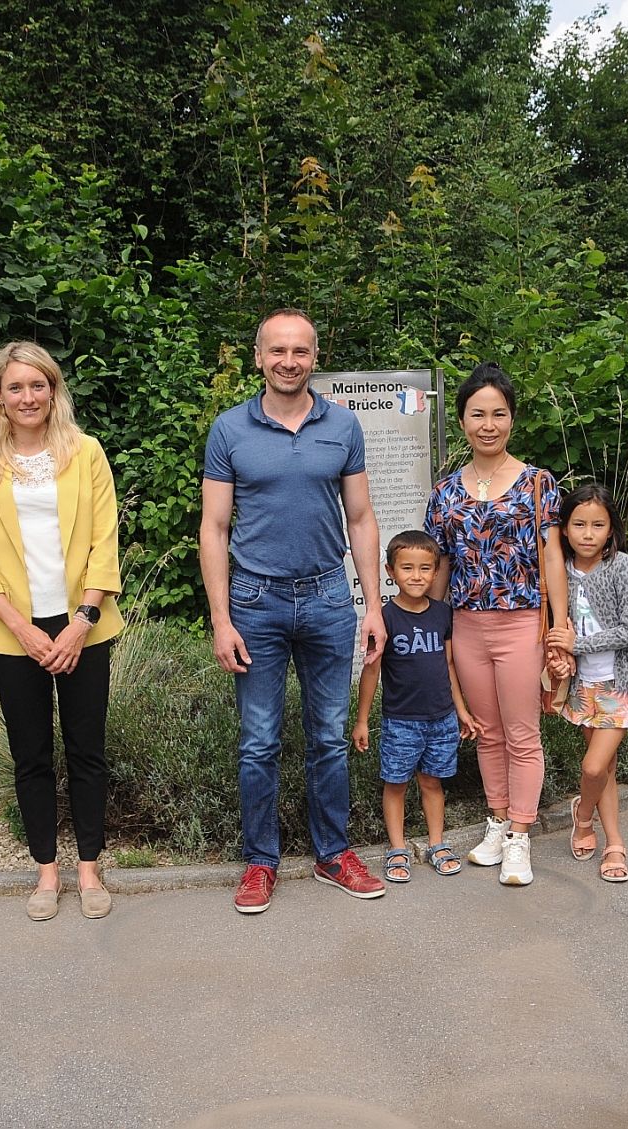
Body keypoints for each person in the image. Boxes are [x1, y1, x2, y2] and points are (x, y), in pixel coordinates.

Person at [200, 309, 389, 914]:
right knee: (258, 742)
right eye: (277, 351)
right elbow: (214, 525)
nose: (289, 361)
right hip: (254, 602)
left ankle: (334, 854)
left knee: (329, 738)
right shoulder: (230, 430)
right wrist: (221, 619)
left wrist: (374, 606)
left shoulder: (344, 425)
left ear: (314, 358)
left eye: (301, 351)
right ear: (259, 357)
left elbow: (360, 518)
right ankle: (260, 863)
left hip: (330, 598)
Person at [0, 341, 124, 922]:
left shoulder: (87, 453)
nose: (29, 397)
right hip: (12, 632)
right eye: (16, 387)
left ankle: (90, 872)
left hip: (84, 627)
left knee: (87, 752)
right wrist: (24, 630)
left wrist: (82, 622)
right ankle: (47, 874)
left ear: (54, 392)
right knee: (31, 755)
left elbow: (105, 540)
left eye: (39, 385)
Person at [424, 362, 570, 887]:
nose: (488, 424)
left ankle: (520, 837)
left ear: (512, 419)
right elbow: (439, 565)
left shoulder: (537, 483)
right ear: (462, 420)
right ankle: (497, 821)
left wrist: (561, 623)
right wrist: (431, 627)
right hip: (465, 625)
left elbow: (552, 557)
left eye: (499, 414)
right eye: (477, 413)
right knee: (485, 734)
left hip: (521, 623)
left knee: (522, 734)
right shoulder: (444, 491)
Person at [351, 531, 481, 882]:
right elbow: (372, 670)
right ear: (390, 571)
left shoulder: (442, 614)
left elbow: (450, 666)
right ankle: (397, 848)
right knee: (396, 784)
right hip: (401, 722)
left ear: (437, 572)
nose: (416, 575)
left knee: (432, 784)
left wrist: (462, 711)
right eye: (407, 568)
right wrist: (362, 720)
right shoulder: (386, 618)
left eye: (425, 568)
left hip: (441, 719)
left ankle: (437, 844)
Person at [545, 484, 628, 884]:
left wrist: (580, 643)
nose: (588, 533)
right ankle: (613, 842)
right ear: (565, 529)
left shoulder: (622, 566)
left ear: (611, 529)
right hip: (583, 686)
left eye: (597, 525)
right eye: (578, 525)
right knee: (603, 766)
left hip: (620, 683)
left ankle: (583, 814)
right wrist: (562, 655)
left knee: (593, 767)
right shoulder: (561, 571)